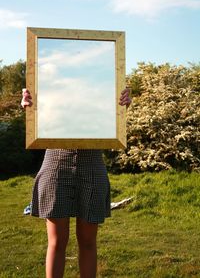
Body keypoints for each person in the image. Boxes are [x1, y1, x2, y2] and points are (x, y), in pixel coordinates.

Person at [21, 88, 131, 278]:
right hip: (56, 162)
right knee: (56, 242)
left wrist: (121, 108)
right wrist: (31, 108)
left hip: (92, 163)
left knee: (88, 241)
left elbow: (108, 123)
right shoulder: (50, 79)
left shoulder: (103, 81)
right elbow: (43, 121)